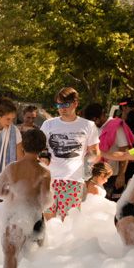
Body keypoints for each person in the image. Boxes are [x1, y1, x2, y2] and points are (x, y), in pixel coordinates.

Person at [40, 86, 99, 220]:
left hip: (73, 180)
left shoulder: (88, 125)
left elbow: (95, 153)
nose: (62, 108)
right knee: (48, 222)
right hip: (49, 179)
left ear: (75, 103)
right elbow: (41, 148)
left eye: (65, 104)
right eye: (59, 104)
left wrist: (91, 161)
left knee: (67, 223)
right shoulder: (48, 124)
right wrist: (43, 156)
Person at [0, 128, 53, 241]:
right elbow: (45, 200)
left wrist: (12, 195)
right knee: (35, 255)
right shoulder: (44, 172)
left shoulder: (12, 167)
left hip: (11, 215)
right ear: (42, 148)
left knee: (10, 255)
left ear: (22, 145)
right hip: (34, 217)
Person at [97, 100, 134, 199]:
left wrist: (121, 174)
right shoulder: (92, 126)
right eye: (129, 107)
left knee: (107, 204)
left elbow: (124, 152)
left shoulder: (116, 125)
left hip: (110, 175)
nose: (131, 110)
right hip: (93, 174)